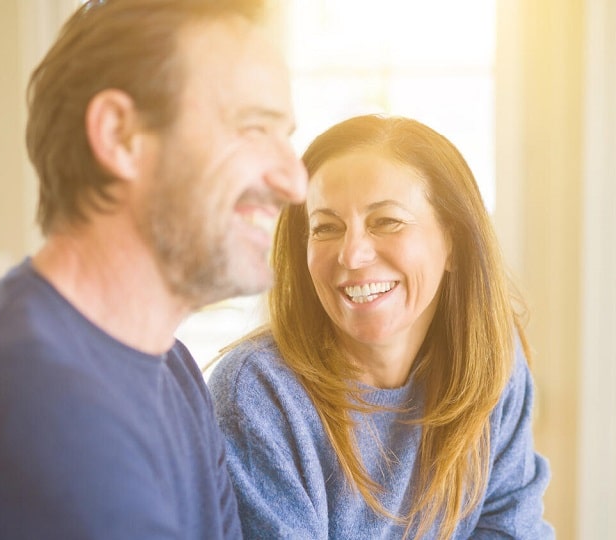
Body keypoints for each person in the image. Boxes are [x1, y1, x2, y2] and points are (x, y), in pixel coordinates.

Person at [0, 0, 306, 538]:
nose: (294, 182)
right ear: (120, 136)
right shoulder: (32, 409)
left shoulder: (173, 370)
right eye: (254, 128)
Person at [208, 114, 554, 539]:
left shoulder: (492, 358)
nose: (351, 255)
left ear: (454, 244)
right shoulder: (258, 393)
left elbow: (509, 527)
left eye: (386, 221)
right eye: (326, 228)